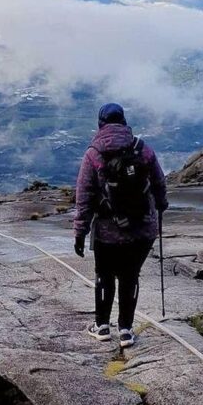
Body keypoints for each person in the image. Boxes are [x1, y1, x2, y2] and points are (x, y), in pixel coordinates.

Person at [73, 103, 168, 348]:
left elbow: (84, 197)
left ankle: (101, 326)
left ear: (100, 124)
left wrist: (79, 233)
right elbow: (159, 182)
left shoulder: (93, 154)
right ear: (124, 122)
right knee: (130, 276)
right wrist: (161, 204)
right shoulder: (142, 149)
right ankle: (126, 330)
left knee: (104, 275)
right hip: (142, 229)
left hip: (107, 231)